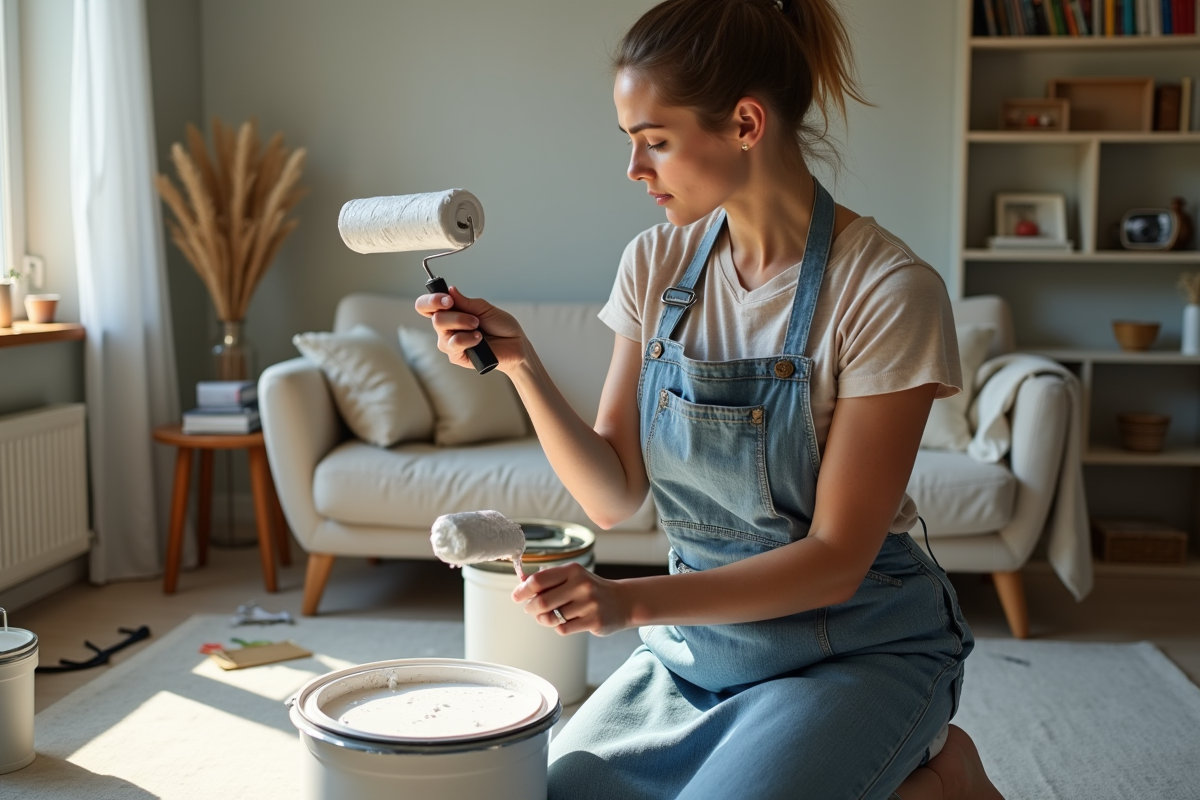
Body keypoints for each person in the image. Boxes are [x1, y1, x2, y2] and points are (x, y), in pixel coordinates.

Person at [417, 1, 1004, 797]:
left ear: (746, 124)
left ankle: (943, 776)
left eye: (655, 141)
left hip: (853, 647)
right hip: (697, 650)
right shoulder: (655, 264)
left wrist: (627, 604)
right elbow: (613, 495)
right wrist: (521, 364)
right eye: (630, 140)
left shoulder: (888, 291)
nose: (634, 168)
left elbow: (836, 562)